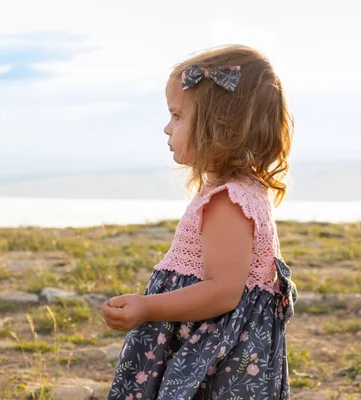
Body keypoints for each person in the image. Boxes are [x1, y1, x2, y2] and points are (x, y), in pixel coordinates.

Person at [101, 44, 298, 399]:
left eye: (177, 116)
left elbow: (224, 291)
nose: (166, 128)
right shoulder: (238, 191)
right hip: (208, 342)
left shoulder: (228, 201)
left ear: (218, 128)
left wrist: (147, 308)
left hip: (212, 352)